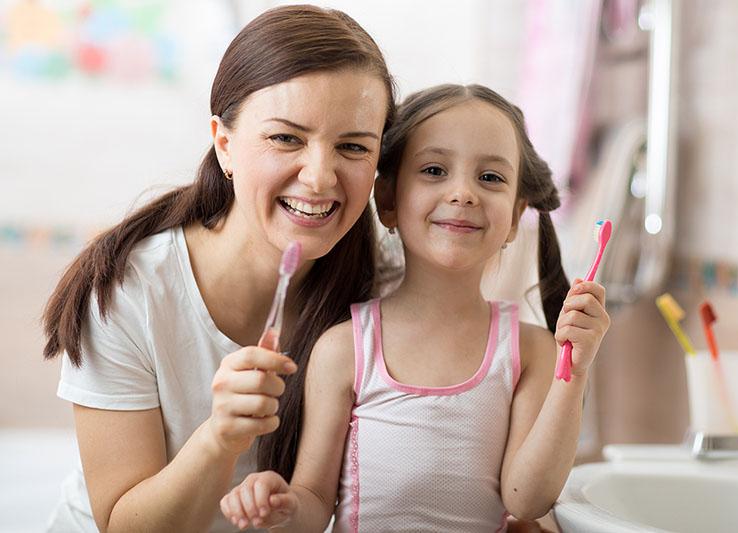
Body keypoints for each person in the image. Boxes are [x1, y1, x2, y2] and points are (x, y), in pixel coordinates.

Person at [41, 5, 395, 532]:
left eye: (352, 146)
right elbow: (121, 524)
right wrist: (219, 439)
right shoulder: (127, 291)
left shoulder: (389, 287)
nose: (320, 178)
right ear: (224, 143)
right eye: (285, 138)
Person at [219, 84, 611, 531]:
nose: (463, 193)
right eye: (434, 170)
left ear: (517, 214)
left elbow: (527, 500)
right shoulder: (345, 348)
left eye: (491, 178)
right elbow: (312, 501)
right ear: (387, 201)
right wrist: (282, 504)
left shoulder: (533, 352)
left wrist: (572, 372)